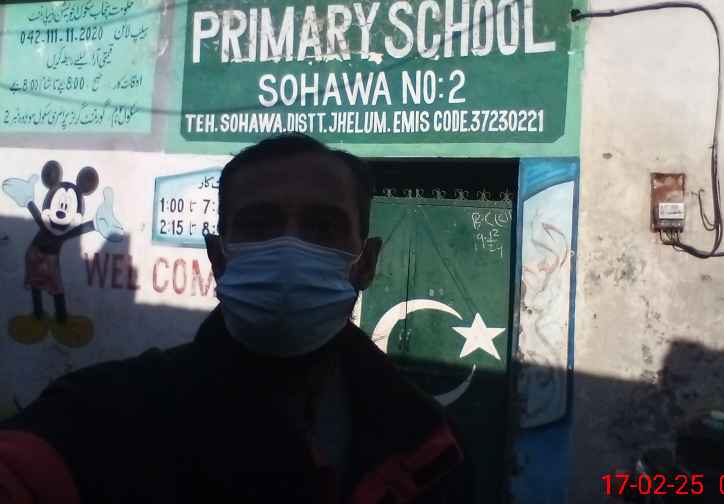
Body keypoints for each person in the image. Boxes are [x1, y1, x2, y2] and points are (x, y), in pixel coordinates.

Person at [0, 133, 469, 504]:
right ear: (218, 258)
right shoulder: (104, 416)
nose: (288, 249)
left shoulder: (430, 448)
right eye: (259, 224)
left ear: (365, 263)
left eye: (323, 227)